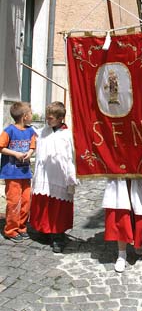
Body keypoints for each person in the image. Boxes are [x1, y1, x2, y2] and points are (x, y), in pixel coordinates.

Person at [30, 102, 78, 253]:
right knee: (43, 204)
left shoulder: (68, 135)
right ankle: (44, 230)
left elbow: (72, 156)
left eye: (51, 118)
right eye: (47, 118)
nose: (47, 121)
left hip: (60, 178)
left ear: (60, 118)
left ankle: (58, 236)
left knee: (58, 207)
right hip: (44, 176)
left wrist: (72, 175)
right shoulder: (43, 131)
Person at [0, 102, 36, 242]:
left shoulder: (31, 131)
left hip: (25, 173)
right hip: (12, 173)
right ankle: (11, 229)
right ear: (25, 116)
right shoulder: (9, 130)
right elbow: (1, 146)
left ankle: (22, 226)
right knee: (14, 202)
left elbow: (33, 145)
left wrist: (30, 152)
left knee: (27, 200)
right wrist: (15, 153)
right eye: (31, 113)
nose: (32, 115)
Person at [102, 179, 142, 273]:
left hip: (138, 176)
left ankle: (139, 241)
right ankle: (122, 254)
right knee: (121, 217)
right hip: (119, 178)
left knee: (140, 216)